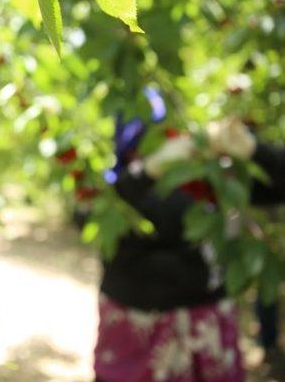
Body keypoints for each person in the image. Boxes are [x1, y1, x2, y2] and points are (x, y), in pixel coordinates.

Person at [93, 116, 285, 382]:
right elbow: (91, 220)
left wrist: (255, 150)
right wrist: (147, 171)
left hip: (207, 333)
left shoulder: (215, 177)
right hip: (135, 337)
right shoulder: (117, 183)